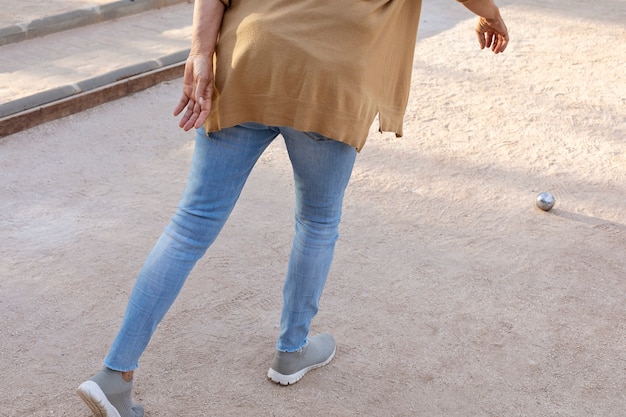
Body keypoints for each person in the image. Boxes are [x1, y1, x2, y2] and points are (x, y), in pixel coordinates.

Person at [77, 0, 509, 416]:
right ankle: (291, 351)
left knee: (190, 225)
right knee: (318, 222)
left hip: (248, 58)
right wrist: (491, 15)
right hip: (333, 75)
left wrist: (200, 54)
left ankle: (115, 373)